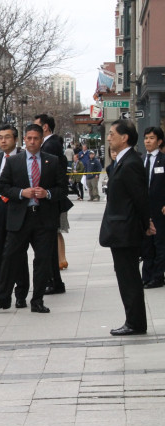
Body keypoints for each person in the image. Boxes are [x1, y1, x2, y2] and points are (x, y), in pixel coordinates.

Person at [0, 124, 67, 314]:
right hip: (20, 217)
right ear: (24, 140)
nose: (32, 142)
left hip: (44, 217)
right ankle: (1, 298)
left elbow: (63, 189)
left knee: (42, 260)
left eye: (36, 138)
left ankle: (37, 300)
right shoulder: (14, 162)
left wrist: (48, 193)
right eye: (29, 138)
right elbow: (2, 186)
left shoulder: (52, 161)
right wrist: (21, 193)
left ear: (41, 140)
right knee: (10, 257)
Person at [101, 119, 153, 336]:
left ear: (125, 138)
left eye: (112, 133)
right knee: (125, 276)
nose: (108, 136)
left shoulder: (131, 162)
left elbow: (139, 198)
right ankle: (133, 320)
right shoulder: (121, 161)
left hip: (126, 230)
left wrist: (146, 225)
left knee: (129, 277)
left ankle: (135, 322)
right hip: (120, 228)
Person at [0, 124, 30, 307]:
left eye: (7, 137)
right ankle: (1, 293)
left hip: (16, 206)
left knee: (17, 252)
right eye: (0, 137)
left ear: (16, 139)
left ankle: (21, 293)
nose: (3, 140)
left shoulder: (23, 159)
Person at [34, 114, 69, 294]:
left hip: (49, 200)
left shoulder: (51, 145)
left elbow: (51, 176)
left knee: (48, 242)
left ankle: (53, 281)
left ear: (45, 127)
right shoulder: (51, 144)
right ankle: (54, 280)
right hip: (49, 199)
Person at [141, 126, 165, 289]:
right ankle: (146, 276)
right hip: (144, 209)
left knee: (160, 243)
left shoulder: (163, 160)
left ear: (159, 141)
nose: (148, 141)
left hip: (160, 209)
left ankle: (157, 276)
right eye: (146, 138)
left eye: (151, 138)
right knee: (146, 244)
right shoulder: (141, 160)